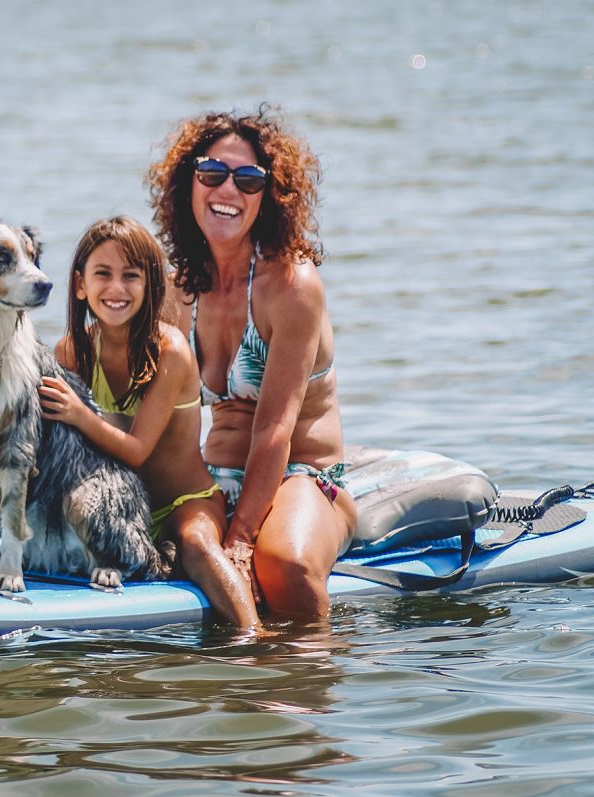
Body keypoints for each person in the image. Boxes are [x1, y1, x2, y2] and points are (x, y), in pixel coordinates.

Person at [146, 107, 357, 617]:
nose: (227, 191)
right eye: (212, 174)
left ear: (270, 197)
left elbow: (276, 430)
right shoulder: (178, 290)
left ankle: (305, 681)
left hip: (302, 476)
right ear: (188, 184)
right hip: (213, 478)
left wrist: (240, 540)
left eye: (248, 180)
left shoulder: (291, 286)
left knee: (282, 563)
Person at [37, 216, 259, 628]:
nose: (116, 288)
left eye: (131, 276)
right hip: (113, 513)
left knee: (197, 546)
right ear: (81, 285)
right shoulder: (72, 351)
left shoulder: (169, 350)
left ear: (151, 286)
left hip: (181, 503)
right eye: (102, 274)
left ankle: (254, 639)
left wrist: (78, 412)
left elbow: (138, 450)